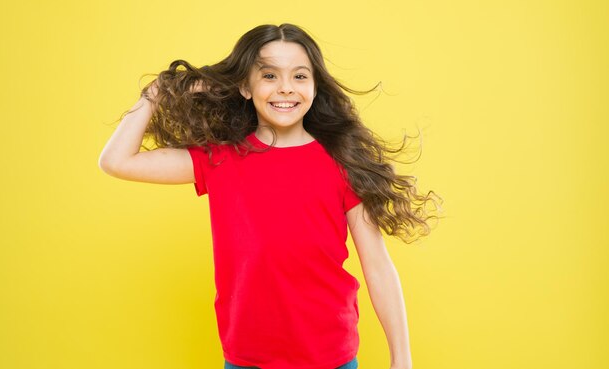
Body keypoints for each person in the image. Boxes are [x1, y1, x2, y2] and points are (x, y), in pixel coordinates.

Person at [99, 23, 443, 369]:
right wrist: (158, 91)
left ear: (314, 85)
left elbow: (379, 267)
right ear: (245, 87)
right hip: (246, 360)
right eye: (268, 76)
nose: (285, 89)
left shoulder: (343, 162)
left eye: (299, 76)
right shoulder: (221, 158)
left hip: (329, 359)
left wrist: (402, 359)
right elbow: (116, 161)